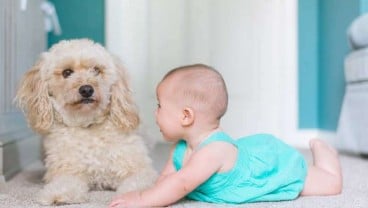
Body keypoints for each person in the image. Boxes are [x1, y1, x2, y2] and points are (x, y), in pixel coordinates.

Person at [109, 64, 342, 207]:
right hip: (244, 154)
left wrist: (141, 200)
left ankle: (325, 156)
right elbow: (167, 181)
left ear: (186, 116)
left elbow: (181, 183)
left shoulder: (213, 151)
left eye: (160, 106)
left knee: (329, 185)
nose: (155, 112)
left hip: (265, 167)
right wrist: (156, 198)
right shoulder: (180, 148)